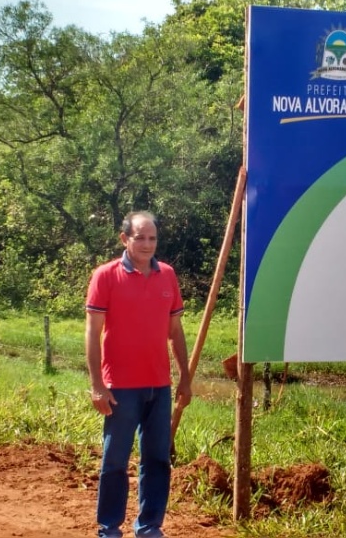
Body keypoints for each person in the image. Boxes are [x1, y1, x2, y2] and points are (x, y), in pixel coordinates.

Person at [85, 210, 192, 538]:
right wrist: (98, 386)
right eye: (140, 237)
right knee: (115, 461)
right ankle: (109, 528)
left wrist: (185, 377)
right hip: (121, 388)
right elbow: (92, 332)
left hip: (159, 386)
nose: (147, 244)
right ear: (124, 239)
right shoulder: (105, 276)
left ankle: (149, 528)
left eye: (152, 238)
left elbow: (175, 331)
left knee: (157, 460)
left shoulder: (168, 276)